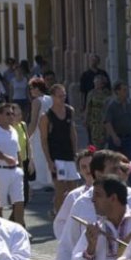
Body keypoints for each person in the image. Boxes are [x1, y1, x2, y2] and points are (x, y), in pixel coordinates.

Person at [39, 84, 80, 214]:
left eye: (64, 96)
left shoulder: (70, 111)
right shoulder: (46, 116)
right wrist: (49, 161)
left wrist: (75, 152)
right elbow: (44, 140)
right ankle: (57, 214)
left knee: (73, 188)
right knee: (60, 189)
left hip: (69, 154)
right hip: (56, 156)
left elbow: (72, 132)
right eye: (59, 96)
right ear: (52, 97)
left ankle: (72, 214)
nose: (62, 98)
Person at [0, 103, 27, 226]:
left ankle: (21, 229)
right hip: (0, 171)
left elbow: (17, 151)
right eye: (8, 114)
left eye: (12, 114)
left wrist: (21, 169)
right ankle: (0, 229)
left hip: (15, 171)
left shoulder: (13, 130)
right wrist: (5, 158)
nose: (11, 116)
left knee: (19, 201)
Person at [103, 81, 131, 191]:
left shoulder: (130, 103)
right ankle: (113, 185)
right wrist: (114, 136)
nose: (126, 92)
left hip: (129, 137)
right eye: (124, 90)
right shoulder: (112, 105)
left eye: (127, 89)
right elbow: (107, 122)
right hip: (117, 138)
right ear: (117, 92)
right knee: (114, 163)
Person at [27, 78, 53, 188]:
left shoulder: (36, 101)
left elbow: (33, 121)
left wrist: (27, 135)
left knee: (38, 154)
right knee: (48, 154)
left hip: (38, 131)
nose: (30, 91)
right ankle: (50, 179)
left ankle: (41, 180)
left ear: (37, 88)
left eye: (32, 88)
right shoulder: (50, 99)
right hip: (50, 130)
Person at [84, 74, 112, 149]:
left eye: (97, 83)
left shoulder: (107, 94)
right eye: (95, 82)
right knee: (93, 140)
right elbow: (88, 107)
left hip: (104, 119)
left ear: (102, 84)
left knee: (104, 139)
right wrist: (86, 119)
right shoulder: (91, 93)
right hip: (94, 120)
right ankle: (94, 153)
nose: (95, 84)